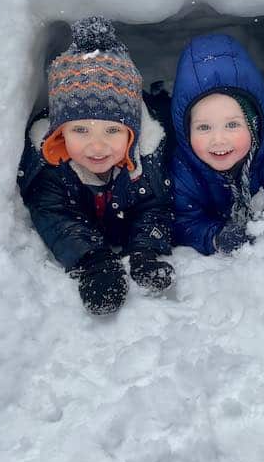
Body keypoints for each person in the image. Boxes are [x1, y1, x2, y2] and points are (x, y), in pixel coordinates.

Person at [17, 16, 175, 315]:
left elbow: (155, 207)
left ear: (132, 132)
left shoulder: (147, 159)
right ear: (60, 131)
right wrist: (93, 259)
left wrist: (145, 250)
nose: (97, 146)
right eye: (81, 130)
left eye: (112, 130)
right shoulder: (52, 167)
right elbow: (54, 215)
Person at [170, 33, 264, 255]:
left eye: (232, 125)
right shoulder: (183, 172)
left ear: (254, 125)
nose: (218, 139)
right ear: (185, 130)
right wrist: (215, 236)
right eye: (203, 127)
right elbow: (183, 222)